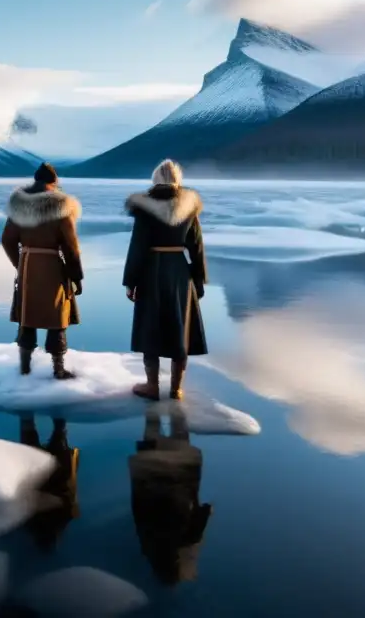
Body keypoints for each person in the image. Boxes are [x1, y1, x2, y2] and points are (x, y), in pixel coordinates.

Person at [123, 158, 208, 400]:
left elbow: (137, 247)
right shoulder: (189, 205)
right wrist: (199, 280)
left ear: (155, 178)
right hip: (179, 272)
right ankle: (176, 388)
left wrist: (131, 281)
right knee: (179, 327)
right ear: (177, 179)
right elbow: (197, 247)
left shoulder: (145, 207)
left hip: (151, 271)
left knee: (151, 327)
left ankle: (152, 386)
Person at [2, 162, 84, 379]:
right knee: (57, 317)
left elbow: (7, 240)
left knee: (26, 316)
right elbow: (71, 247)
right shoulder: (61, 207)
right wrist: (76, 276)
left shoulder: (19, 206)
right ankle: (58, 369)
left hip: (28, 265)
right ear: (54, 181)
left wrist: (19, 262)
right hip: (52, 266)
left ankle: (24, 368)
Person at [128, 409, 212, 584]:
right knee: (153, 425)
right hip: (150, 470)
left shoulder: (186, 542)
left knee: (178, 428)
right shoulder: (147, 543)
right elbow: (137, 505)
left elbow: (204, 511)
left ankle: (172, 400)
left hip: (179, 473)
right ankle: (161, 400)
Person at [19, 415, 80, 550]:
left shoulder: (62, 520)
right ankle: (28, 415)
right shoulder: (31, 525)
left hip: (50, 476)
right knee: (35, 439)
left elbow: (67, 501)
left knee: (55, 437)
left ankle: (34, 415)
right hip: (47, 477)